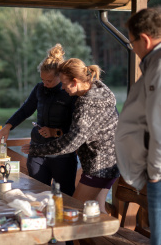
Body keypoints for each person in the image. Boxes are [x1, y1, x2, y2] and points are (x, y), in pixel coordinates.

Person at [22, 58, 120, 214]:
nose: (62, 87)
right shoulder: (99, 89)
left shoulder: (87, 105)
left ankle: (78, 239)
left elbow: (70, 144)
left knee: (73, 210)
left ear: (75, 82)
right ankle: (104, 237)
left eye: (64, 83)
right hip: (111, 160)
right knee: (99, 211)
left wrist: (37, 150)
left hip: (100, 165)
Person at [0, 44, 78, 197]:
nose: (45, 84)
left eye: (49, 81)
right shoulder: (39, 89)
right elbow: (25, 110)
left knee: (65, 197)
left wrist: (55, 131)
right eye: (42, 80)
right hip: (37, 151)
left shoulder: (69, 92)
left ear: (59, 77)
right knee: (36, 193)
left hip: (62, 154)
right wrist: (7, 126)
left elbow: (77, 127)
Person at [115, 7, 161, 245]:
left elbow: (159, 124)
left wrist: (154, 172)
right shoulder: (154, 66)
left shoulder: (159, 68)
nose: (132, 48)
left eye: (132, 42)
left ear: (144, 39)